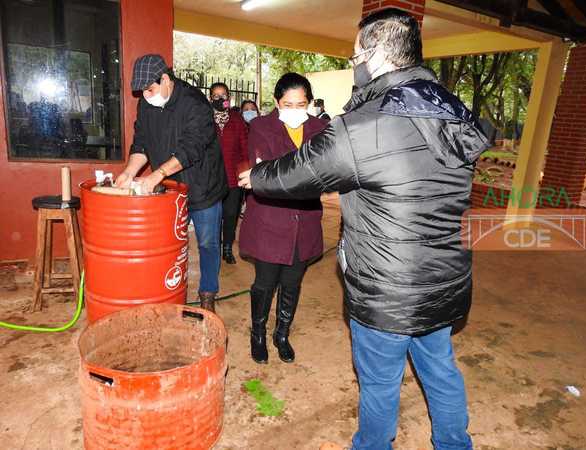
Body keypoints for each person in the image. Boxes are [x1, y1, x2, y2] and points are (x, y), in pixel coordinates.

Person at [239, 9, 489, 450]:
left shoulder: (368, 124)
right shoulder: (451, 109)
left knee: (378, 382)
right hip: (444, 280)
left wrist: (256, 178)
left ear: (373, 57)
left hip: (386, 289)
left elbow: (303, 169)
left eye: (355, 55)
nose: (353, 63)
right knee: (441, 369)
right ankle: (455, 443)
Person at [116, 54, 228, 313]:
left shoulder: (195, 104)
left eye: (150, 89)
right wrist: (130, 172)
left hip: (203, 186)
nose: (146, 95)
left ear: (166, 79)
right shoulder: (147, 104)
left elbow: (191, 149)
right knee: (167, 244)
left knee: (208, 243)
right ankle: (167, 291)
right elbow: (141, 142)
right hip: (170, 190)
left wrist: (157, 175)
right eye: (143, 91)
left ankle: (208, 293)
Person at [238, 73, 327, 364]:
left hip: (305, 221)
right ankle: (259, 334)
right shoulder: (261, 126)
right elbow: (263, 171)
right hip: (269, 220)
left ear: (309, 103)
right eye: (288, 104)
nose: (294, 109)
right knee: (264, 282)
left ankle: (282, 334)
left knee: (292, 282)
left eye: (301, 103)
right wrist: (297, 175)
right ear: (277, 102)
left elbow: (319, 173)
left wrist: (274, 175)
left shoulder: (321, 128)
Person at [209, 82, 248, 265]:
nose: (220, 99)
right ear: (210, 99)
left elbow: (244, 148)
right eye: (216, 96)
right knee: (214, 216)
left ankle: (227, 248)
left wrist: (244, 174)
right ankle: (215, 249)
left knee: (231, 214)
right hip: (212, 178)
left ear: (229, 98)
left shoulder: (237, 119)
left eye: (223, 95)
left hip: (233, 178)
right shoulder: (205, 119)